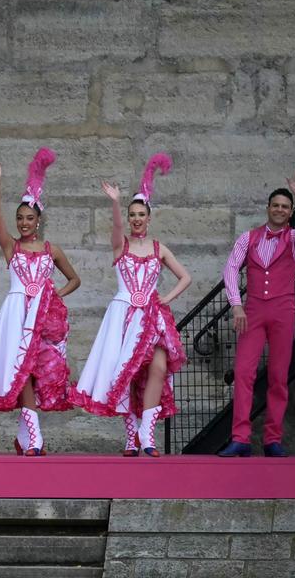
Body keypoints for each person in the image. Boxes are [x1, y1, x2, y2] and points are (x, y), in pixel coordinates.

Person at [70, 153, 190, 457]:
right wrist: (114, 203)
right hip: (123, 315)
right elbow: (115, 228)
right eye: (132, 214)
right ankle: (131, 438)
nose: (136, 219)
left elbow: (185, 277)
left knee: (159, 368)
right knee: (127, 373)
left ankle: (145, 434)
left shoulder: (159, 248)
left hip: (152, 316)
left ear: (149, 218)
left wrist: (166, 298)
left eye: (141, 214)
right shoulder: (120, 246)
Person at [0, 149, 81, 456]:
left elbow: (74, 280)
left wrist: (53, 298)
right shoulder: (11, 247)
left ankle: (24, 438)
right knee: (21, 370)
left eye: (29, 218)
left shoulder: (52, 250)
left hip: (43, 318)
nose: (23, 223)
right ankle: (34, 437)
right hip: (17, 315)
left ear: (38, 220)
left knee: (36, 373)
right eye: (19, 218)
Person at [218, 168, 295, 458]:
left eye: (285, 207)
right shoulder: (248, 238)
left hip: (283, 312)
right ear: (268, 208)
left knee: (278, 376)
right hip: (253, 312)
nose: (280, 210)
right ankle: (240, 438)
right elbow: (231, 269)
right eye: (276, 205)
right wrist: (236, 304)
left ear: (289, 211)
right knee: (244, 373)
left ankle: (273, 439)